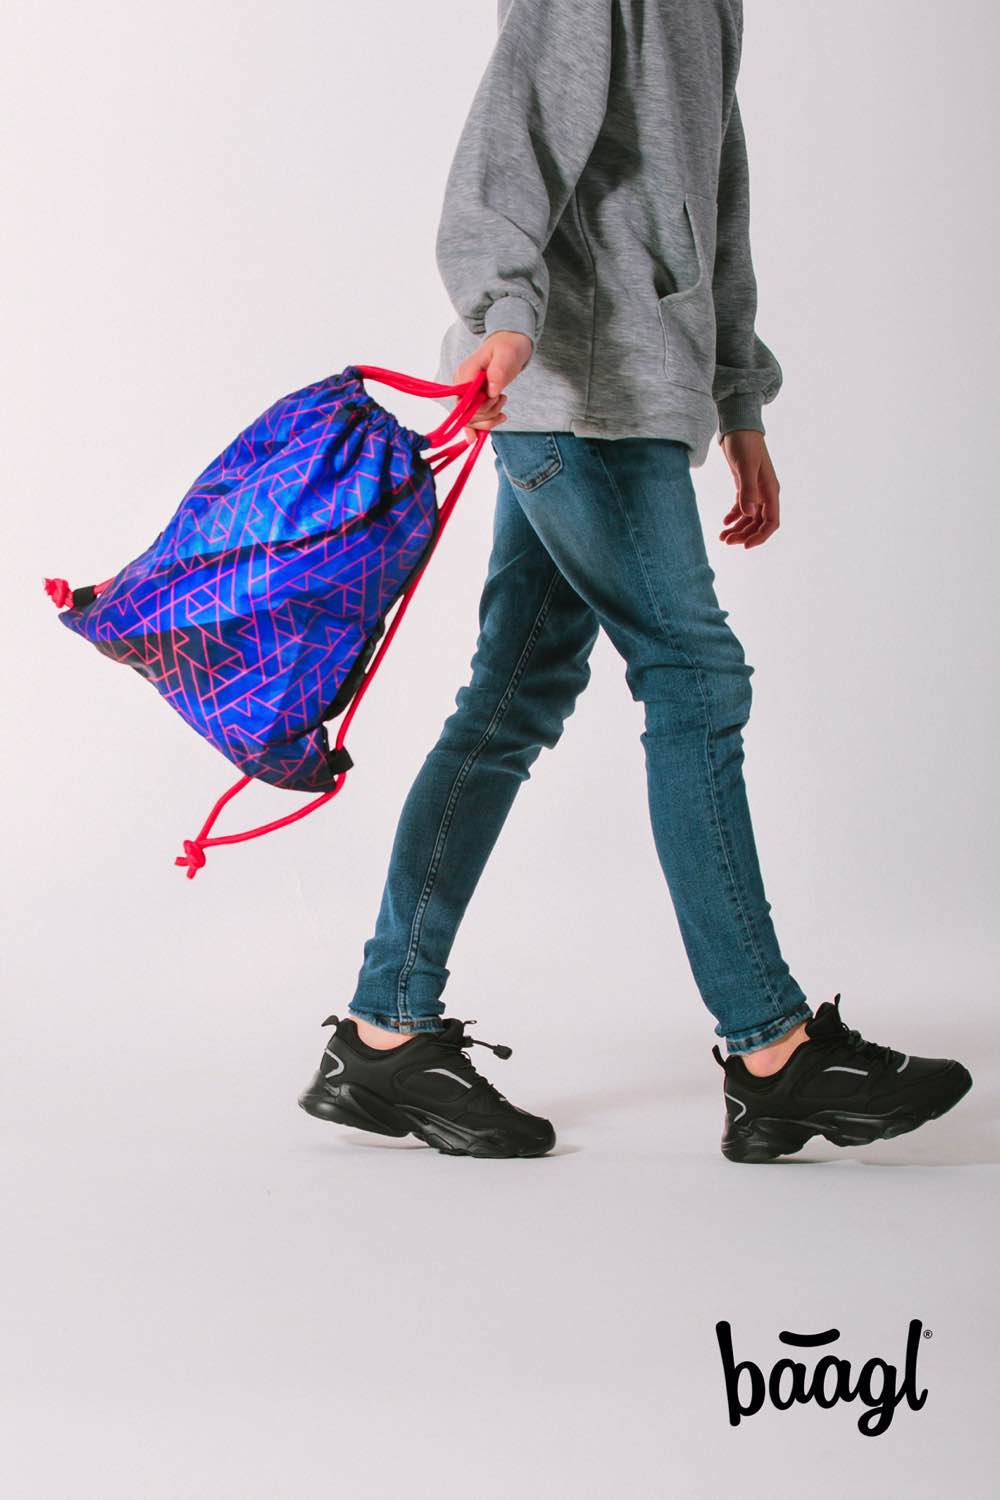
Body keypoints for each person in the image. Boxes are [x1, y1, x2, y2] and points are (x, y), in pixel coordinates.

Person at [299, 0, 972, 1161]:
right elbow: (510, 137)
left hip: (621, 391)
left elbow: (714, 194)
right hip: (578, 389)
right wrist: (503, 310)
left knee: (512, 697)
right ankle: (773, 1052)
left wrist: (737, 398)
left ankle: (383, 1034)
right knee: (692, 678)